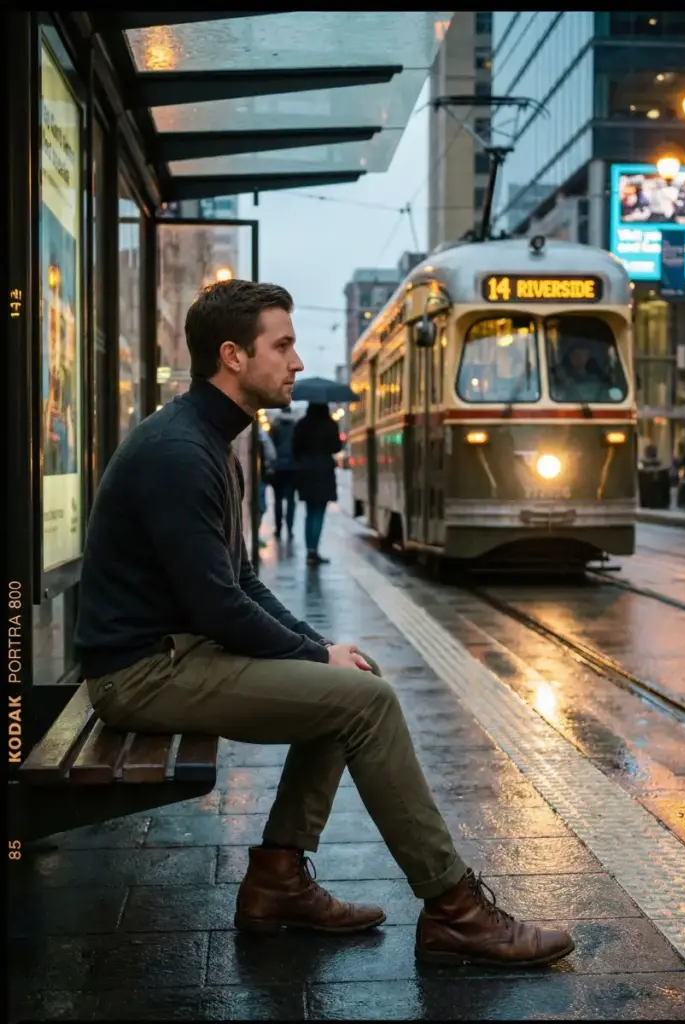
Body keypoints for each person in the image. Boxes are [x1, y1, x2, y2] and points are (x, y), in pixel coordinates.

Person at [74, 278, 574, 969]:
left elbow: (240, 582)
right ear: (233, 356)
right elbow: (217, 605)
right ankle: (456, 909)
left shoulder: (213, 442)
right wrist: (314, 654)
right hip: (140, 673)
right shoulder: (180, 453)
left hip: (172, 653)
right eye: (282, 345)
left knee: (348, 683)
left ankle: (278, 881)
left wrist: (318, 652)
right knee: (363, 703)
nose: (297, 362)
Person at [292, 402, 342, 566]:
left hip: (306, 472)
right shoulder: (330, 425)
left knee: (309, 512)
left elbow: (295, 449)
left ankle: (309, 551)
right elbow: (336, 447)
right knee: (319, 513)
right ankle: (314, 550)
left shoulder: (301, 425)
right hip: (324, 472)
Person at [269, 404, 299, 541]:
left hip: (278, 469)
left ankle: (278, 529)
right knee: (291, 501)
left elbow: (271, 446)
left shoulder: (275, 427)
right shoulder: (295, 428)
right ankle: (290, 529)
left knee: (278, 501)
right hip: (293, 469)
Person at [258, 426, 277, 548]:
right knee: (260, 506)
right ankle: (256, 535)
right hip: (260, 475)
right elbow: (272, 454)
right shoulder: (262, 435)